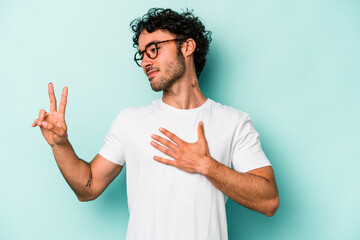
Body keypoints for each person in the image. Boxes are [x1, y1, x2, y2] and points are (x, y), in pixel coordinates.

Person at [32, 8, 279, 240]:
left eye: (154, 49)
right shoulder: (130, 120)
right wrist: (60, 145)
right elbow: (88, 188)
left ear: (187, 46)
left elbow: (269, 201)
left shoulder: (233, 122)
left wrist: (206, 165)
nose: (145, 62)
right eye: (142, 54)